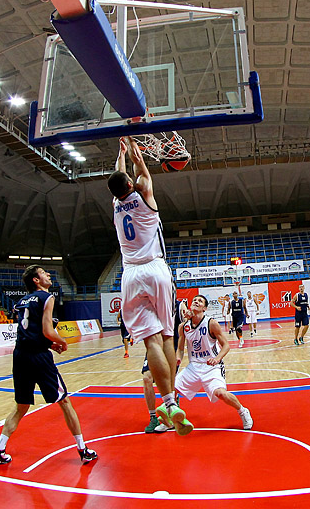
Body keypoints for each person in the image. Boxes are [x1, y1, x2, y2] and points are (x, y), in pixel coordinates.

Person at [108, 136, 192, 435]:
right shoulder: (144, 197)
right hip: (155, 268)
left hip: (129, 274)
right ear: (131, 184)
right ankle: (174, 400)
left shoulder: (116, 204)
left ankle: (167, 402)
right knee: (167, 336)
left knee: (150, 341)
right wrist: (132, 149)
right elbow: (140, 167)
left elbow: (119, 177)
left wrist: (120, 156)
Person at [0, 265, 98, 465]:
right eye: (43, 273)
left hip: (20, 355)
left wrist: (49, 343)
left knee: (21, 406)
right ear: (36, 280)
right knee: (64, 401)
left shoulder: (21, 301)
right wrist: (62, 342)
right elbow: (47, 330)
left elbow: (31, 331)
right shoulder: (47, 297)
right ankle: (83, 449)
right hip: (38, 357)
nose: (48, 274)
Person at [174, 294, 253, 430]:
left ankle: (243, 411)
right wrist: (178, 358)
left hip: (212, 366)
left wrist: (217, 359)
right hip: (194, 366)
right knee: (171, 389)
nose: (196, 302)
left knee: (221, 393)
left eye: (200, 301)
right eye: (194, 300)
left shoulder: (211, 323)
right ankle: (171, 417)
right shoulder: (183, 326)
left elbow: (226, 345)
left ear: (204, 308)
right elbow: (180, 349)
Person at [143, 299, 189, 433]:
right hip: (154, 346)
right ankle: (153, 418)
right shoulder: (150, 303)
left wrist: (180, 351)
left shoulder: (179, 304)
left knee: (169, 383)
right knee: (147, 378)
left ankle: (172, 410)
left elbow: (184, 324)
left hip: (171, 346)